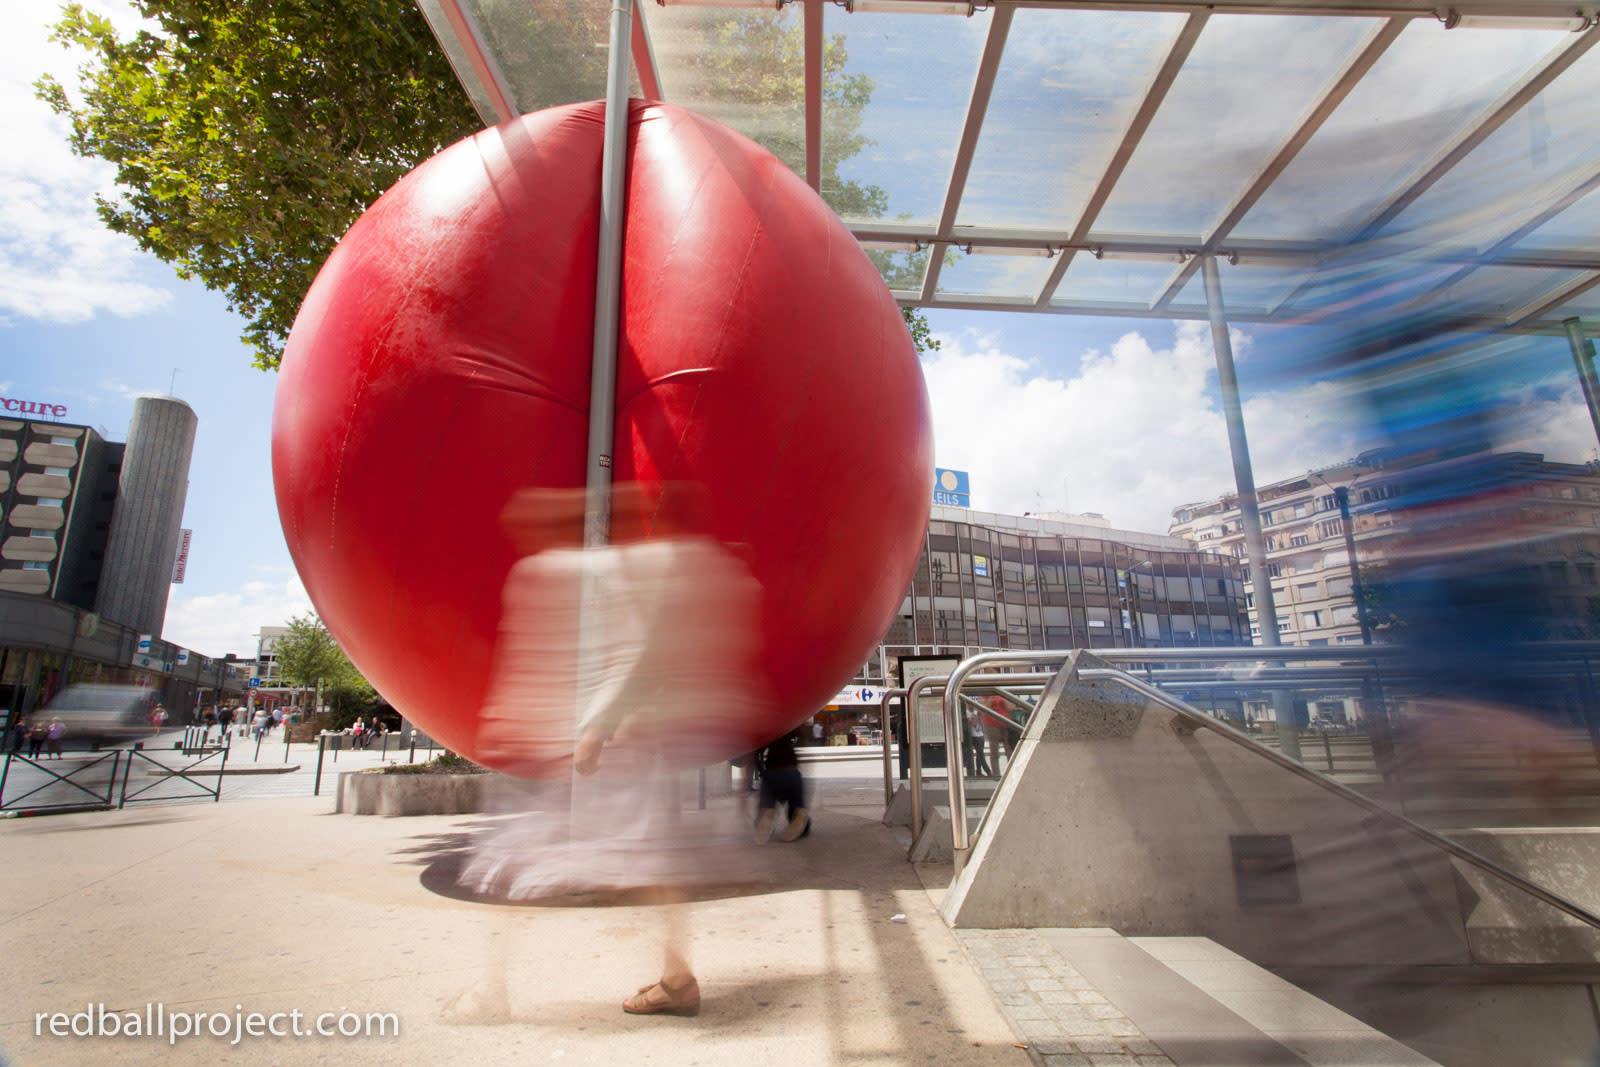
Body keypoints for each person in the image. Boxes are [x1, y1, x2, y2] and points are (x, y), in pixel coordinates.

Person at [460, 482, 773, 1020]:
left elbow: (637, 656)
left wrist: (595, 727)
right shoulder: (716, 567)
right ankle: (677, 980)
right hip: (669, 734)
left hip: (596, 738)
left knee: (522, 859)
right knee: (652, 861)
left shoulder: (589, 570)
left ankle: (491, 992)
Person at [753, 727, 809, 843]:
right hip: (792, 774)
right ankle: (798, 813)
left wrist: (760, 772)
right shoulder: (789, 724)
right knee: (797, 809)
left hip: (771, 775)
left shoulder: (766, 729)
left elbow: (753, 755)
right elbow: (804, 735)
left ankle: (767, 811)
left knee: (764, 810)